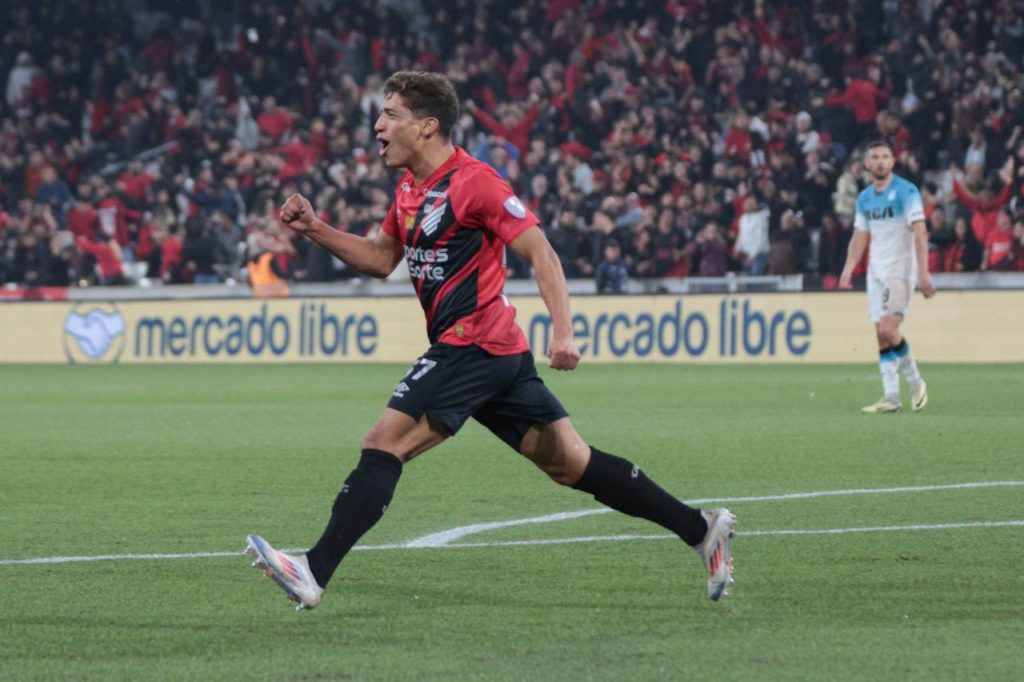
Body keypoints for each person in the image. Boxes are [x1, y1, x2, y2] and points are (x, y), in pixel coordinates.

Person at [244, 71, 735, 610]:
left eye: (390, 115)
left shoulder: (475, 182)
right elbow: (382, 258)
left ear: (428, 126)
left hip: (471, 344)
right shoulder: (410, 187)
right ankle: (700, 529)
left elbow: (541, 252)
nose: (377, 125)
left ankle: (313, 570)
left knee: (384, 444)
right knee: (572, 464)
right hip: (495, 354)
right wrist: (315, 227)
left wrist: (564, 332)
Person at [840, 141, 936, 414]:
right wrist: (849, 267)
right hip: (875, 273)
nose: (881, 161)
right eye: (875, 157)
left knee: (888, 329)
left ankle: (916, 381)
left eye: (885, 157)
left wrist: (924, 272)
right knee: (880, 335)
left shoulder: (906, 192)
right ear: (867, 164)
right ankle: (891, 397)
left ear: (893, 161)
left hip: (901, 271)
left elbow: (920, 233)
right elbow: (860, 236)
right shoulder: (865, 198)